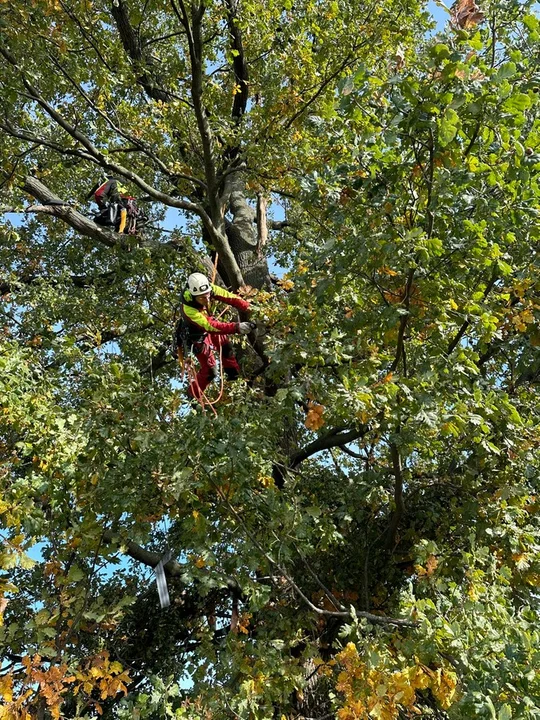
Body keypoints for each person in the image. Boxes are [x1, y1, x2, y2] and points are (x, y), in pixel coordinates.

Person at [178, 273, 254, 401]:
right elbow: (209, 326)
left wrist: (251, 308)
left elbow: (231, 298)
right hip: (197, 336)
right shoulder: (188, 309)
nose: (206, 300)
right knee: (210, 371)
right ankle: (192, 394)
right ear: (194, 296)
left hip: (208, 322)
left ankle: (233, 375)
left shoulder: (210, 289)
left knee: (226, 348)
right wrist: (237, 327)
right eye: (202, 298)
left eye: (207, 296)